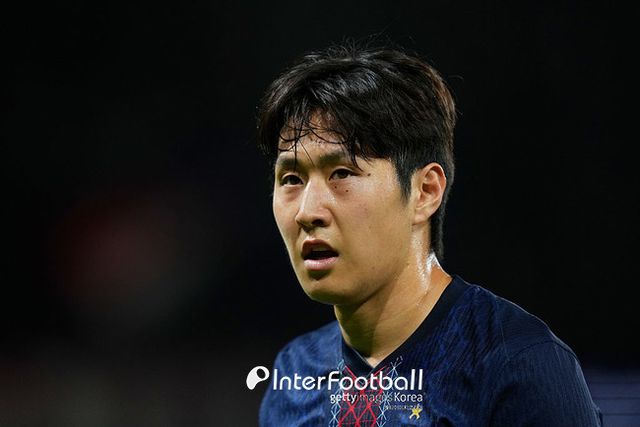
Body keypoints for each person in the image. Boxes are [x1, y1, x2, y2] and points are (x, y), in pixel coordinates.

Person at [255, 43, 602, 426]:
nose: (307, 212)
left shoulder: (517, 365)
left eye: (342, 173)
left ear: (425, 192)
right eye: (292, 178)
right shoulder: (293, 375)